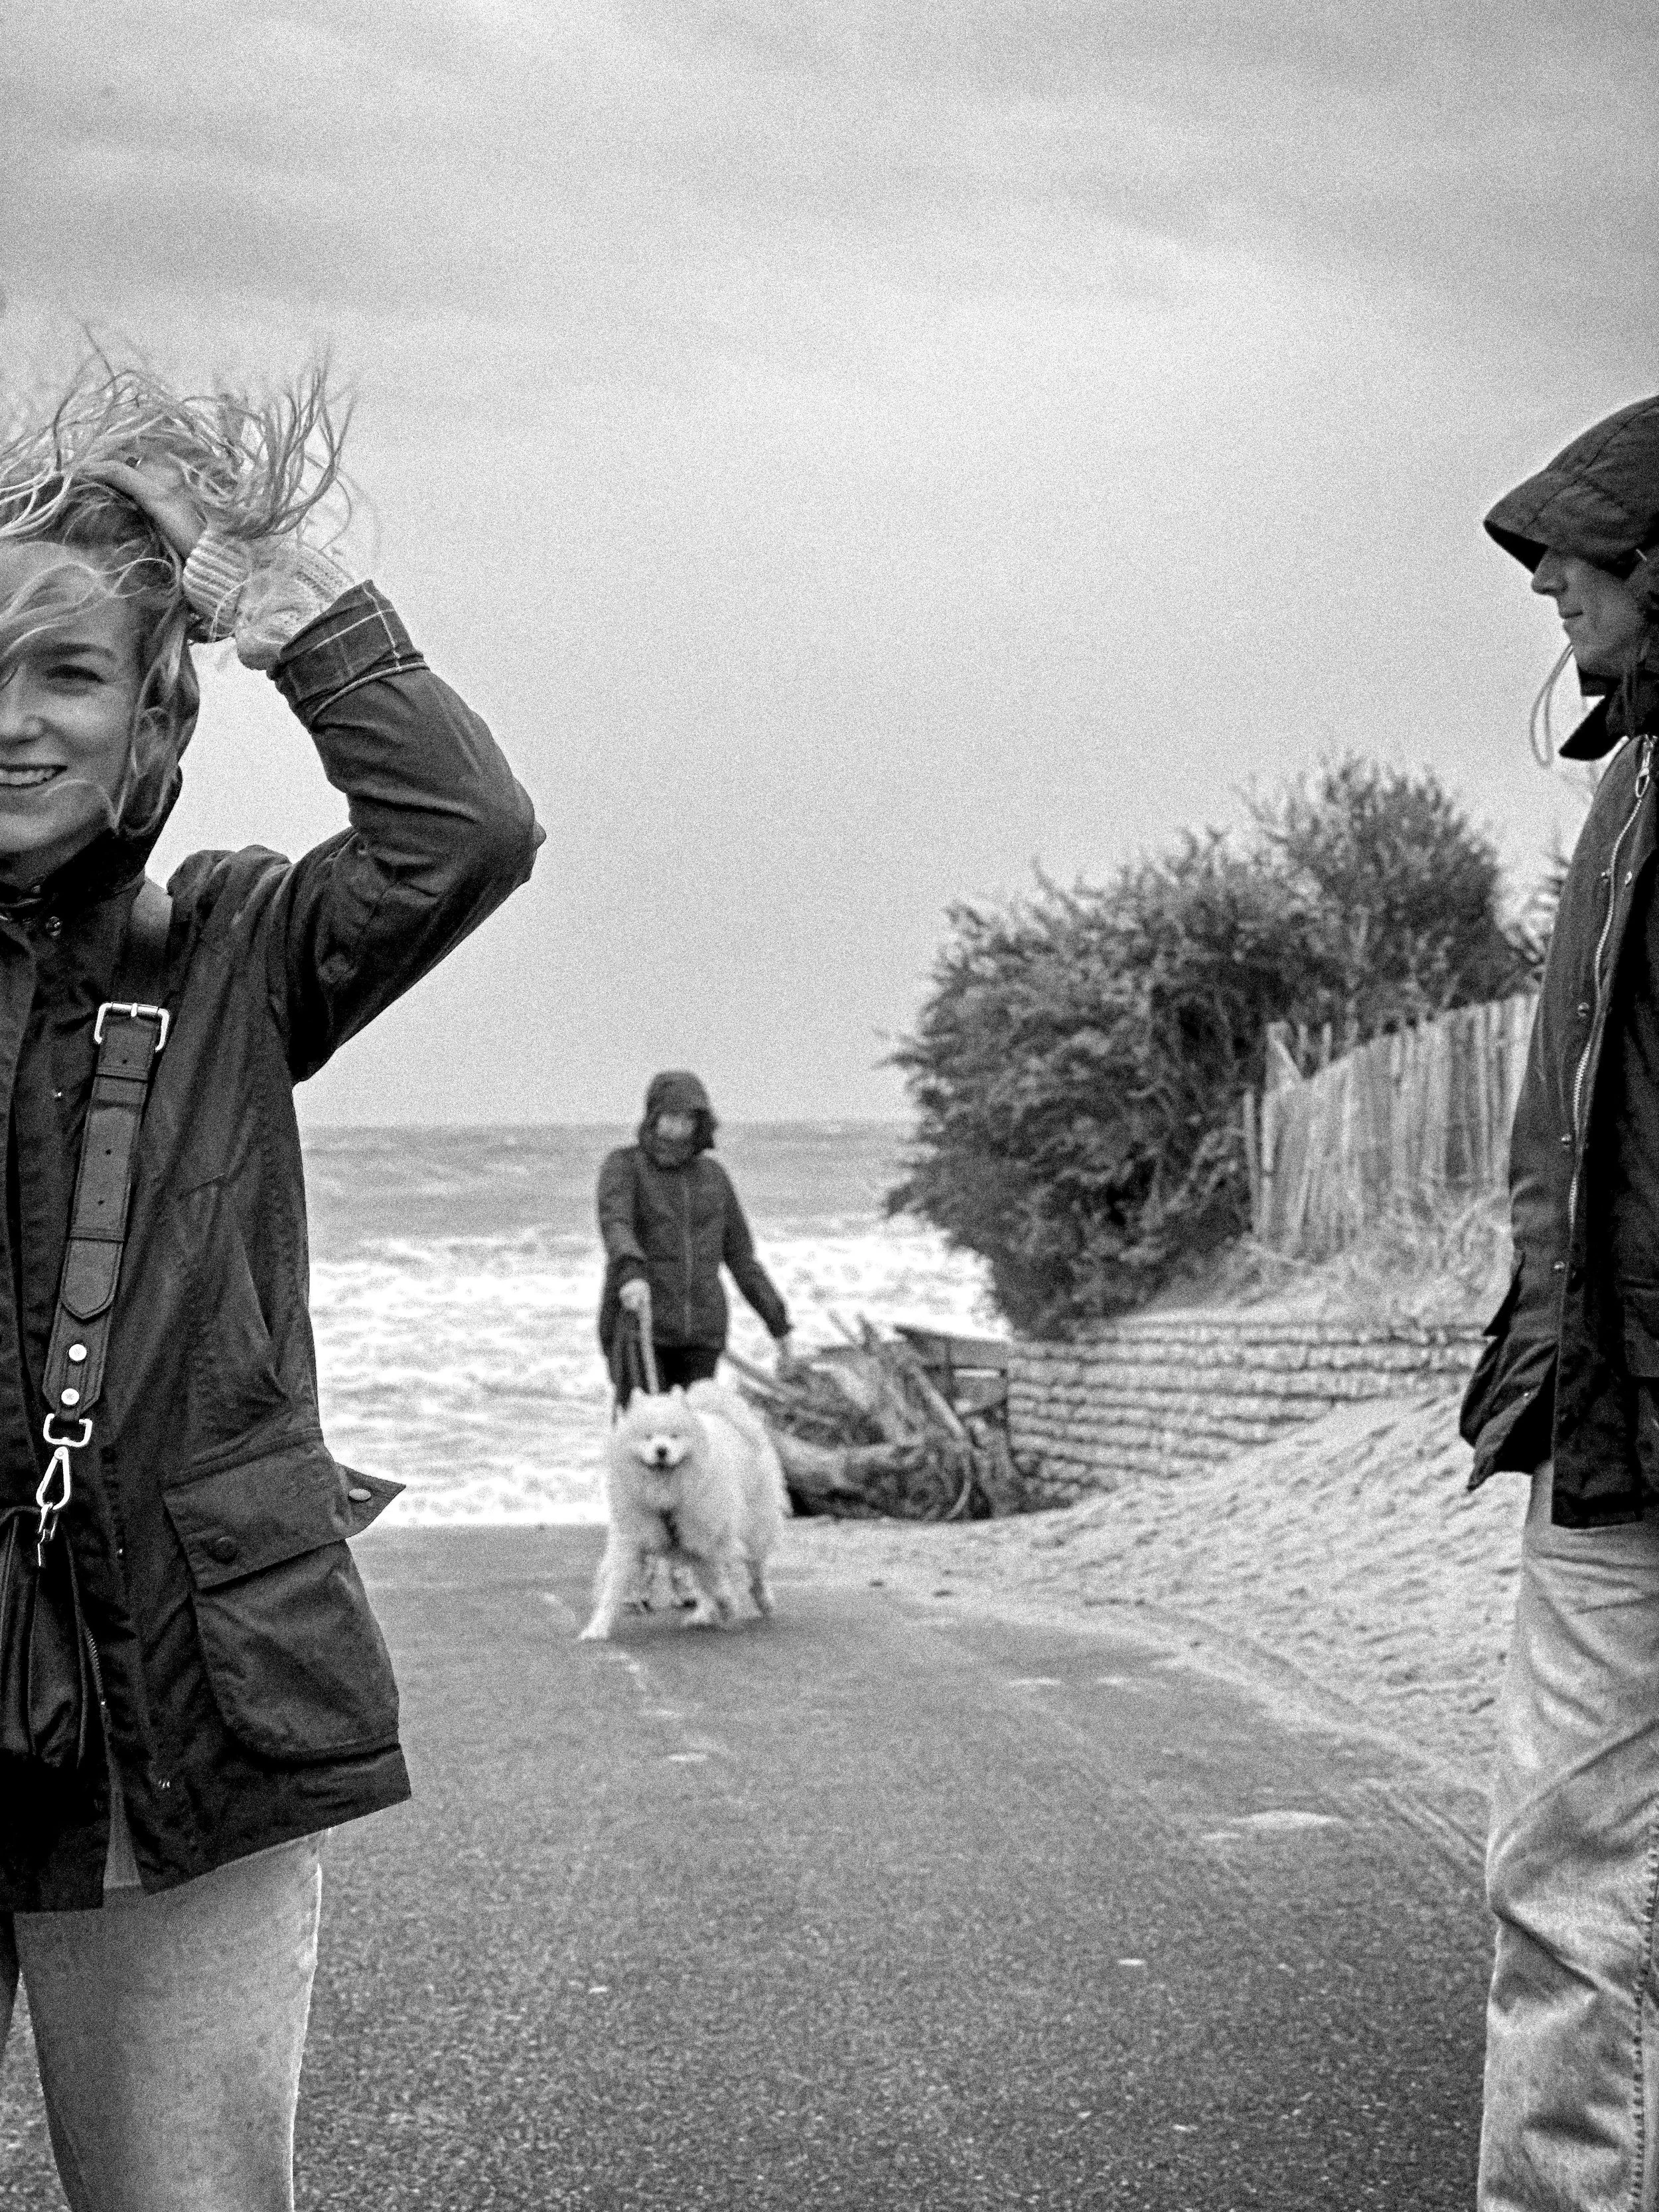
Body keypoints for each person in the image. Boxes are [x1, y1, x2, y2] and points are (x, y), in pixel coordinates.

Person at [0, 362, 541, 2210]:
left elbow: (461, 834)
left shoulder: (235, 945)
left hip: (176, 1693)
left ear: (154, 723)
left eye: (62, 676)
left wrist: (299, 612)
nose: (13, 724)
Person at [1459, 392, 1659, 2209]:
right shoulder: (1624, 781)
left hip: (1628, 1408)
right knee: (1565, 1883)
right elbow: (1564, 1138)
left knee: (1575, 1884)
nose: (1556, 605)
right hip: (1599, 1413)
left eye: (1575, 576)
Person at [597, 1070, 792, 1403]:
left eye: (688, 1118)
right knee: (645, 1435)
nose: (678, 1126)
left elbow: (741, 1258)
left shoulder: (714, 1178)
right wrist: (630, 1274)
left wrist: (778, 1323)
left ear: (700, 1123)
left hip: (703, 1333)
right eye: (670, 1115)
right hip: (642, 1325)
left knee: (693, 1436)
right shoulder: (625, 1166)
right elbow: (616, 1224)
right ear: (653, 1116)